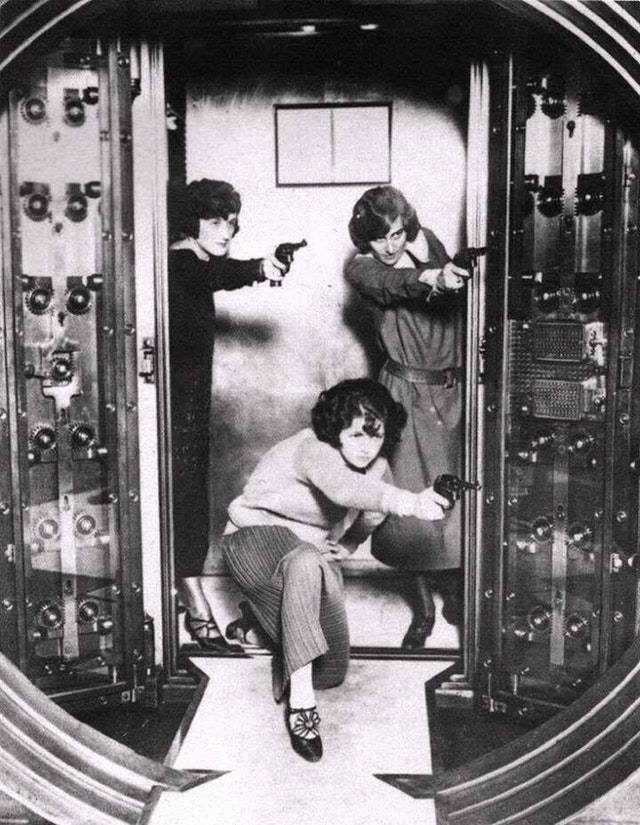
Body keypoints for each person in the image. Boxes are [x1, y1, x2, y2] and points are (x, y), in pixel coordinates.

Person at [219, 378, 449, 762]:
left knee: (331, 671)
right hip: (254, 539)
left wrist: (347, 545)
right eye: (356, 434)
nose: (366, 446)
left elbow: (371, 513)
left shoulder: (377, 468)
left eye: (376, 436)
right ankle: (302, 708)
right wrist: (410, 502)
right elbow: (344, 490)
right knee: (306, 562)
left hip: (308, 556)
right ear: (336, 428)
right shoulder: (313, 448)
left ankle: (263, 619)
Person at [345, 185, 469, 650]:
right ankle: (423, 610)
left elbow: (433, 255)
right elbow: (394, 283)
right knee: (410, 507)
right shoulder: (361, 269)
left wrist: (438, 267)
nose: (390, 245)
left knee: (459, 503)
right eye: (379, 239)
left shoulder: (427, 243)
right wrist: (433, 278)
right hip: (404, 395)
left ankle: (457, 592)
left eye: (397, 233)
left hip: (454, 392)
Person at [169, 178, 287, 651]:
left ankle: (187, 590)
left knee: (188, 497)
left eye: (231, 224)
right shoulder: (179, 261)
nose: (225, 232)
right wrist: (260, 267)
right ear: (190, 222)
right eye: (215, 222)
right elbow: (210, 275)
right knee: (184, 499)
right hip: (173, 406)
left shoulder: (193, 260)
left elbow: (214, 271)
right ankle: (195, 606)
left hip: (188, 402)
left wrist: (260, 266)